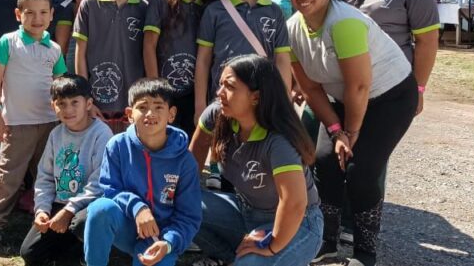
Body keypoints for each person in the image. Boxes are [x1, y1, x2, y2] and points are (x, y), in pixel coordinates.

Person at [285, 0, 417, 266]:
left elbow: (359, 86)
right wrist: (335, 131)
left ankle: (365, 252)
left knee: (361, 170)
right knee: (325, 162)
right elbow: (311, 88)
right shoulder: (291, 29)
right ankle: (325, 242)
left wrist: (350, 133)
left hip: (390, 97)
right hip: (343, 100)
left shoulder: (343, 22)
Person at [190, 55, 323, 266]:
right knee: (180, 206)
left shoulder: (279, 141)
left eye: (229, 87)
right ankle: (234, 258)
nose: (219, 92)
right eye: (221, 84)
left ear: (256, 97)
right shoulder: (217, 114)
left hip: (298, 224)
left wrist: (272, 246)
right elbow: (192, 159)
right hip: (246, 211)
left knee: (251, 262)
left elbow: (294, 203)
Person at [0, 0, 68, 257]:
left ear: (52, 14)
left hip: (50, 126)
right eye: (30, 12)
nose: (37, 18)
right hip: (16, 124)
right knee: (7, 178)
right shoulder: (8, 42)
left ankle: (52, 228)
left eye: (43, 12)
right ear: (18, 14)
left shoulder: (54, 49)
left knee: (50, 177)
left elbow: (60, 85)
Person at [83, 78, 201, 266]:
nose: (150, 113)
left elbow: (189, 216)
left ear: (171, 114)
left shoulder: (185, 160)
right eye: (142, 107)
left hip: (161, 237)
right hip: (127, 226)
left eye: (158, 107)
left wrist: (169, 242)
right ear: (130, 114)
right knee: (100, 209)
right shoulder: (117, 146)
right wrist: (138, 207)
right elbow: (111, 190)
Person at [19, 74, 113, 266]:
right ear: (53, 106)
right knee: (30, 253)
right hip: (59, 203)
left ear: (88, 104)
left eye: (74, 102)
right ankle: (69, 244)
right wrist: (42, 210)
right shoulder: (56, 134)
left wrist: (69, 211)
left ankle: (89, 251)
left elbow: (99, 183)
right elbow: (45, 176)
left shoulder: (102, 134)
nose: (68, 110)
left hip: (89, 206)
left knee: (80, 225)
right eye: (61, 104)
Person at [194, 0, 291, 120]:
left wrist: (285, 102)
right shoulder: (214, 11)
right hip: (222, 99)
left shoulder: (274, 11)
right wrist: (200, 105)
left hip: (262, 100)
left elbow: (282, 60)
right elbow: (203, 60)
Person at [143, 0, 224, 135]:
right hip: (166, 90)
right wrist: (156, 90)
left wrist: (200, 104)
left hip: (199, 93)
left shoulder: (215, 7)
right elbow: (149, 45)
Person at [73, 0, 148, 133]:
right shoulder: (89, 5)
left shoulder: (144, 7)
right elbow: (80, 54)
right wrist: (85, 98)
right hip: (98, 104)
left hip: (135, 102)